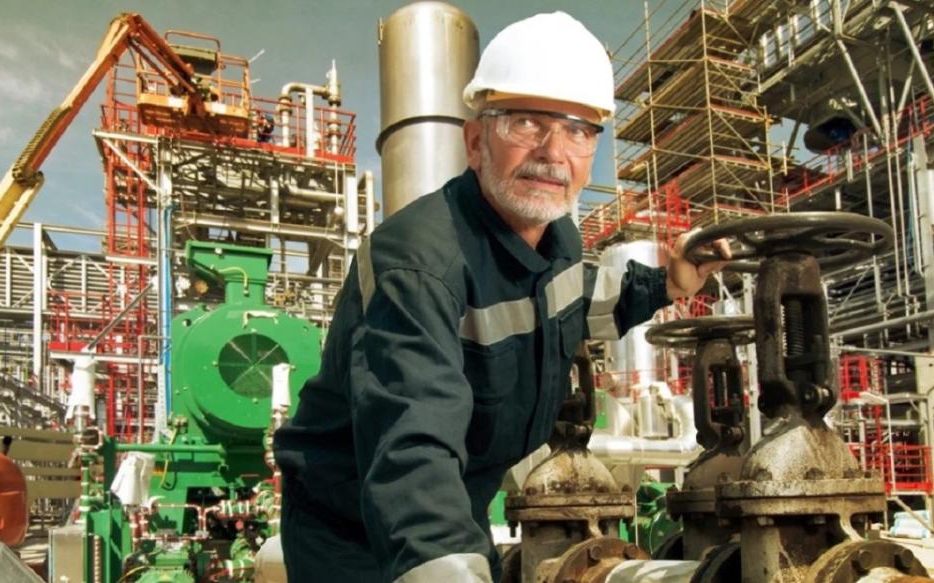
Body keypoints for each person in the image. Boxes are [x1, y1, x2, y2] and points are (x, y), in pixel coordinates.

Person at [273, 11, 729, 583]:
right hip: (358, 529)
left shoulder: (555, 236)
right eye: (525, 124)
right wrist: (445, 561)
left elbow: (574, 301)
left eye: (579, 130)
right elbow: (411, 442)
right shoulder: (417, 263)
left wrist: (669, 283)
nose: (553, 152)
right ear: (474, 141)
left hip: (461, 500)